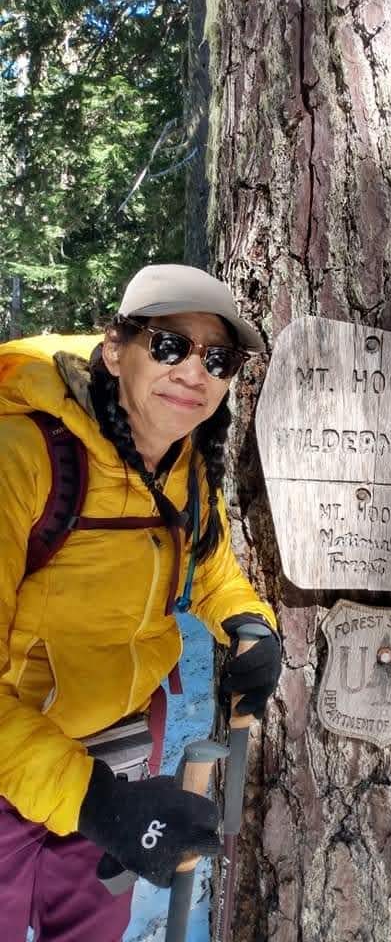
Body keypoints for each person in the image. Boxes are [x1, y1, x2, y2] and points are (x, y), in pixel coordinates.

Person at [0, 264, 282, 942]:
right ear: (115, 348)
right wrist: (97, 804)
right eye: (169, 345)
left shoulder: (181, 463)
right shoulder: (24, 457)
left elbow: (209, 565)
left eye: (218, 358)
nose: (194, 371)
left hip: (118, 757)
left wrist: (249, 622)